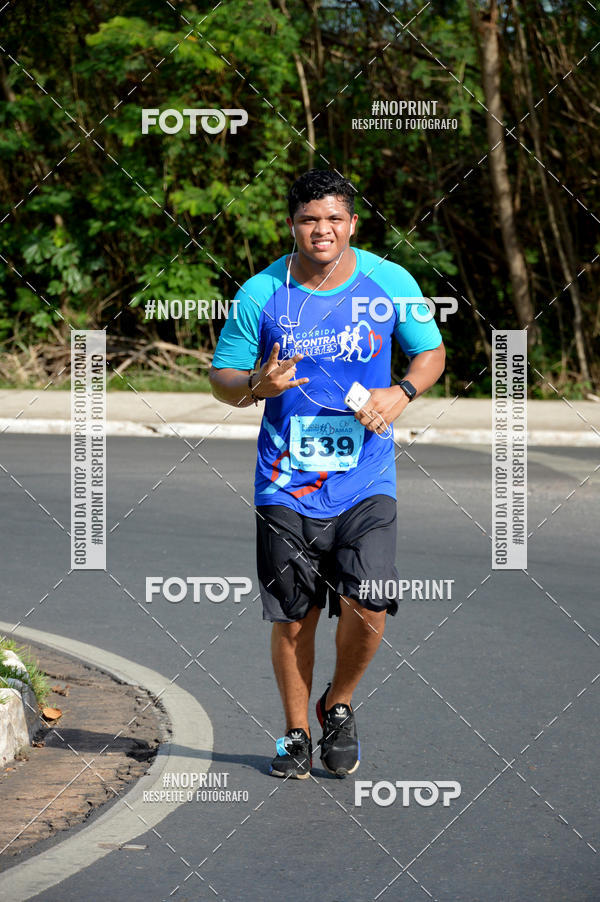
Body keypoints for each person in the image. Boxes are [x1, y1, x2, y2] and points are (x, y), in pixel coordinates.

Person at [209, 169, 445, 779]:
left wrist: (401, 393)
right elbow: (222, 380)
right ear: (292, 225)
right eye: (310, 219)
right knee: (293, 616)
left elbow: (431, 352)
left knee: (371, 603)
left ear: (352, 225)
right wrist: (257, 385)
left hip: (367, 477)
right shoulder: (261, 293)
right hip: (285, 479)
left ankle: (336, 703)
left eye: (334, 219)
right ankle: (294, 732)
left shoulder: (389, 280)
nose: (323, 230)